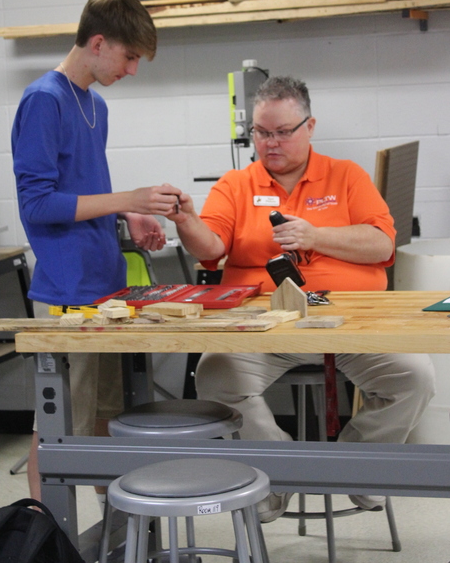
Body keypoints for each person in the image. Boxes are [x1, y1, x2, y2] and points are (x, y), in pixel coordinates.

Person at [169, 75, 435, 522]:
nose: (269, 143)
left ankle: (353, 468)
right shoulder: (235, 184)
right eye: (260, 132)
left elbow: (382, 245)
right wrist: (186, 220)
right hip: (264, 324)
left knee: (414, 377)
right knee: (214, 375)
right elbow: (212, 248)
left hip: (353, 321)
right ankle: (280, 474)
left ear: (309, 127)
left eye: (281, 132)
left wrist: (316, 235)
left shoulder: (346, 175)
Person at [12, 0, 183, 500]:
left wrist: (128, 212)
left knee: (108, 415)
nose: (132, 69)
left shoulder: (95, 105)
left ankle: (113, 536)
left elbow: (80, 192)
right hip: (66, 292)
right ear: (100, 42)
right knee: (62, 426)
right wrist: (127, 196)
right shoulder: (44, 100)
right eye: (129, 57)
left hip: (106, 288)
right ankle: (45, 537)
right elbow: (38, 205)